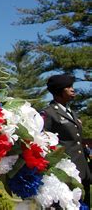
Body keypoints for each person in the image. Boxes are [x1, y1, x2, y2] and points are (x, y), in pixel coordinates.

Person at [41, 74, 90, 207]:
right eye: (68, 87)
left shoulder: (72, 113)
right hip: (65, 172)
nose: (73, 90)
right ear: (59, 92)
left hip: (82, 170)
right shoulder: (49, 113)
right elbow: (44, 142)